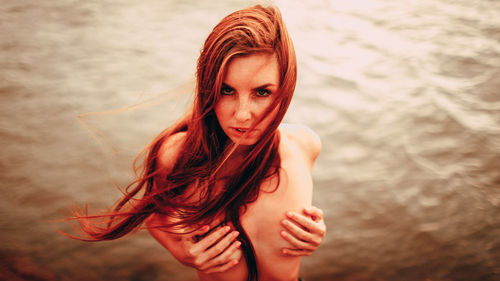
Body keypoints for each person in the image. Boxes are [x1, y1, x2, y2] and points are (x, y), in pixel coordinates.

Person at [68, 4, 326, 281]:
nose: (241, 114)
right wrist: (184, 253)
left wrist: (317, 230)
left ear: (286, 87)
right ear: (208, 87)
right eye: (226, 90)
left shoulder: (304, 146)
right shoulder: (178, 155)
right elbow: (156, 217)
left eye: (261, 92)